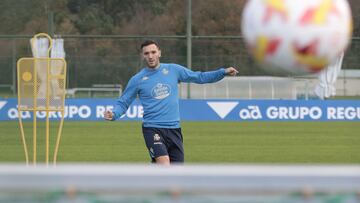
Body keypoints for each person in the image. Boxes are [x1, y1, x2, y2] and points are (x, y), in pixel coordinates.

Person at [104, 40, 238, 165]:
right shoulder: (137, 79)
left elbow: (199, 77)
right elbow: (123, 102)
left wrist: (223, 72)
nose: (150, 56)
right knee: (165, 166)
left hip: (174, 130)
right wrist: (114, 114)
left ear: (159, 53)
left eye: (153, 52)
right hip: (152, 129)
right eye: (146, 53)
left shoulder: (174, 70)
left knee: (176, 177)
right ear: (142, 56)